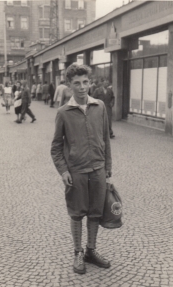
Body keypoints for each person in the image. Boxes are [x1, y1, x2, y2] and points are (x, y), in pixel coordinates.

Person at [51, 64, 112, 275]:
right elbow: (56, 147)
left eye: (85, 82)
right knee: (77, 214)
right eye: (77, 83)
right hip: (76, 172)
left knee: (95, 213)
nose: (82, 87)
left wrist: (108, 168)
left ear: (90, 82)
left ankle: (91, 251)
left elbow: (105, 139)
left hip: (98, 170)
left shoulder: (100, 107)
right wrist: (64, 171)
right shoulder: (64, 113)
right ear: (69, 85)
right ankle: (77, 253)